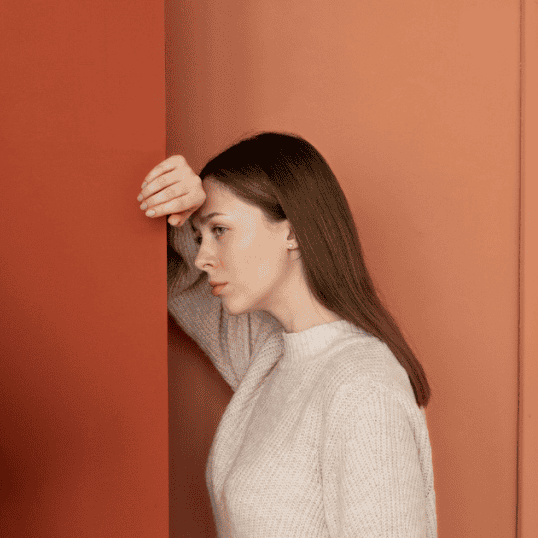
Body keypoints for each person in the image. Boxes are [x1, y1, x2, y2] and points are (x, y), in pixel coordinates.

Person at [137, 132, 436, 537]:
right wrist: (184, 209)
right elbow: (180, 282)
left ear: (292, 233)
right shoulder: (271, 353)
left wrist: (193, 215)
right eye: (199, 239)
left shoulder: (363, 388)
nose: (204, 256)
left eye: (220, 231)